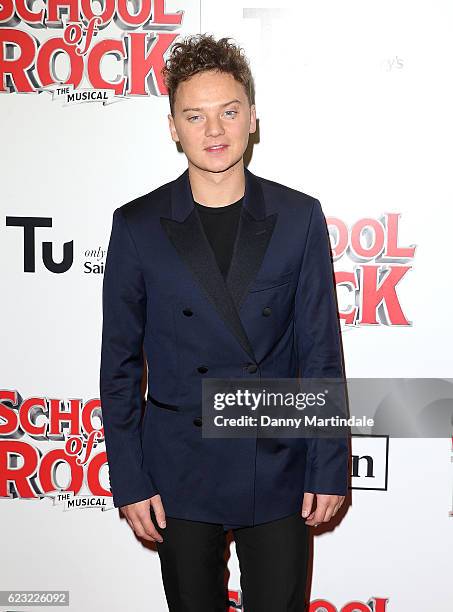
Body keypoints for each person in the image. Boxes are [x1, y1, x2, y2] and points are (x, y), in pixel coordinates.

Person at [100, 33, 349, 612]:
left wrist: (329, 466)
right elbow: (119, 367)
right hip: (179, 470)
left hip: (278, 461)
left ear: (253, 118)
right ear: (173, 127)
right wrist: (130, 479)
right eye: (195, 115)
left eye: (228, 111)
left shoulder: (298, 217)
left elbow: (320, 353)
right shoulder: (137, 226)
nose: (214, 130)